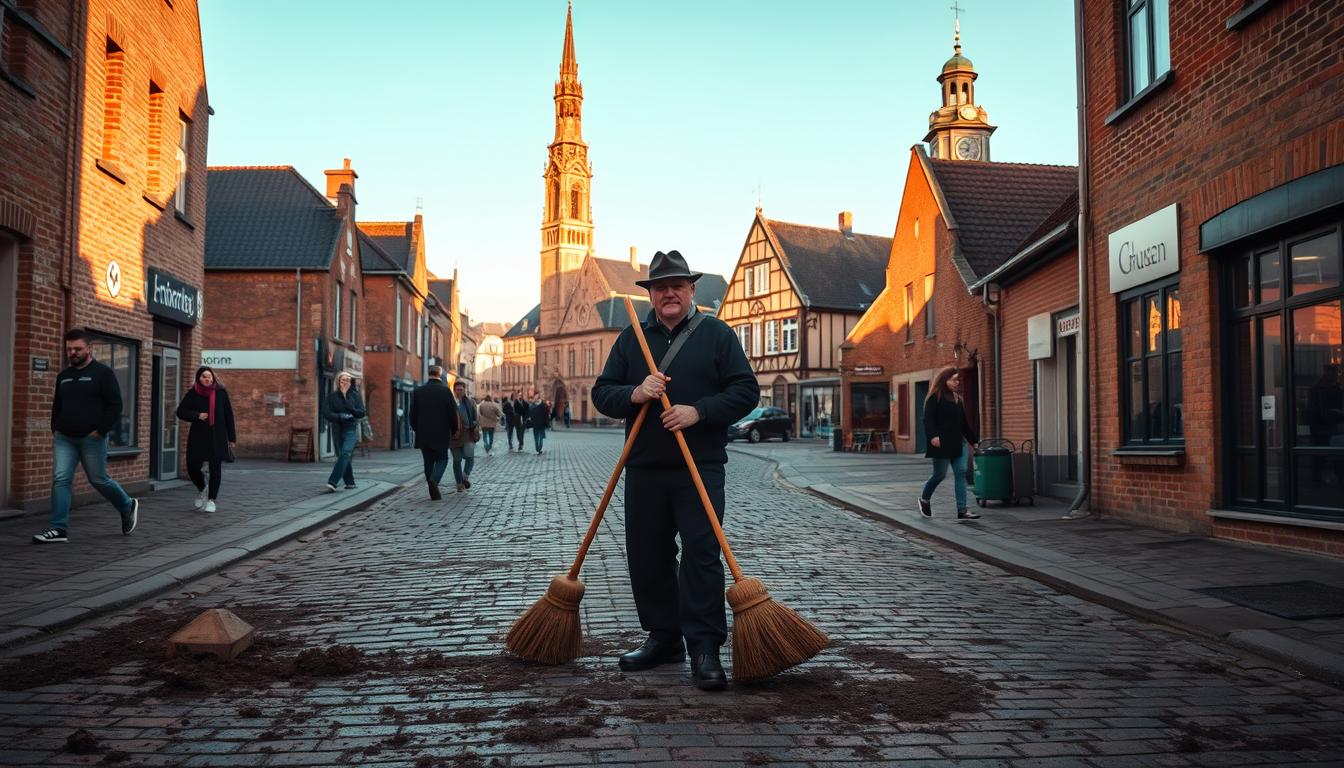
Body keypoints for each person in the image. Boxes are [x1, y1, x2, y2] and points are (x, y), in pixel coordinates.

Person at [592, 250, 758, 691]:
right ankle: (663, 637)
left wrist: (699, 411)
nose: (669, 293)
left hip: (699, 466)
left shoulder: (717, 335)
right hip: (644, 466)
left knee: (702, 553)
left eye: (677, 286)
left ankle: (704, 647)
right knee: (648, 554)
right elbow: (602, 394)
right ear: (650, 294)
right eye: (660, 287)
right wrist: (635, 393)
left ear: (691, 291)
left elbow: (746, 392)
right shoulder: (632, 338)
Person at [33, 328, 141, 543]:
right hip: (64, 438)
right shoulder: (63, 376)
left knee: (98, 479)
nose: (73, 353)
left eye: (78, 349)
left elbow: (115, 405)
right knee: (61, 479)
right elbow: (58, 405)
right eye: (69, 349)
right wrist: (56, 428)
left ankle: (127, 505)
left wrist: (100, 431)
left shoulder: (103, 373)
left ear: (89, 349)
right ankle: (58, 529)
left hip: (92, 438)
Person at [917, 366, 980, 520]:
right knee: (939, 475)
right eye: (954, 379)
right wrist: (933, 436)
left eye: (958, 379)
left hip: (959, 443)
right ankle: (924, 499)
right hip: (941, 443)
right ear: (944, 380)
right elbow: (928, 419)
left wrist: (974, 441)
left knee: (961, 472)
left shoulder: (958, 399)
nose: (957, 382)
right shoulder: (934, 397)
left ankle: (962, 510)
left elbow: (963, 423)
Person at [175, 366, 237, 513]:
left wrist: (232, 437)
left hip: (218, 436)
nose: (207, 379)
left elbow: (229, 415)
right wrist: (197, 415)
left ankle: (211, 500)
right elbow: (181, 412)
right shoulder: (193, 393)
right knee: (192, 467)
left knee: (216, 469)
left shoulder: (221, 393)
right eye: (203, 376)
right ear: (199, 378)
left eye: (209, 376)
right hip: (198, 436)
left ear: (213, 378)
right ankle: (203, 488)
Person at [409, 365, 459, 500]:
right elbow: (452, 414)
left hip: (423, 433)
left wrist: (416, 428)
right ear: (440, 374)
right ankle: (434, 481)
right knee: (442, 459)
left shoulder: (418, 391)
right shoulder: (445, 391)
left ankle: (431, 484)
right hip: (441, 432)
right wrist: (454, 429)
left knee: (428, 460)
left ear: (428, 373)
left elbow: (412, 413)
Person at [322, 372, 366, 492]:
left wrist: (349, 404)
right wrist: (340, 416)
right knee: (342, 455)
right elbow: (326, 413)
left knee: (346, 452)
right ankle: (350, 482)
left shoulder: (355, 396)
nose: (345, 382)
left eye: (348, 380)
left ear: (350, 382)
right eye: (343, 380)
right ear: (338, 382)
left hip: (350, 428)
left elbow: (361, 412)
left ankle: (333, 482)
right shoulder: (332, 396)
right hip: (337, 428)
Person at [450, 382, 480, 491]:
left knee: (469, 456)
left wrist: (475, 427)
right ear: (454, 390)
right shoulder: (450, 403)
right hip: (454, 436)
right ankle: (459, 484)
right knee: (457, 460)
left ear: (464, 390)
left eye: (461, 389)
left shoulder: (470, 402)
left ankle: (464, 476)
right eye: (457, 389)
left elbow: (475, 418)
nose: (459, 392)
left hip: (468, 434)